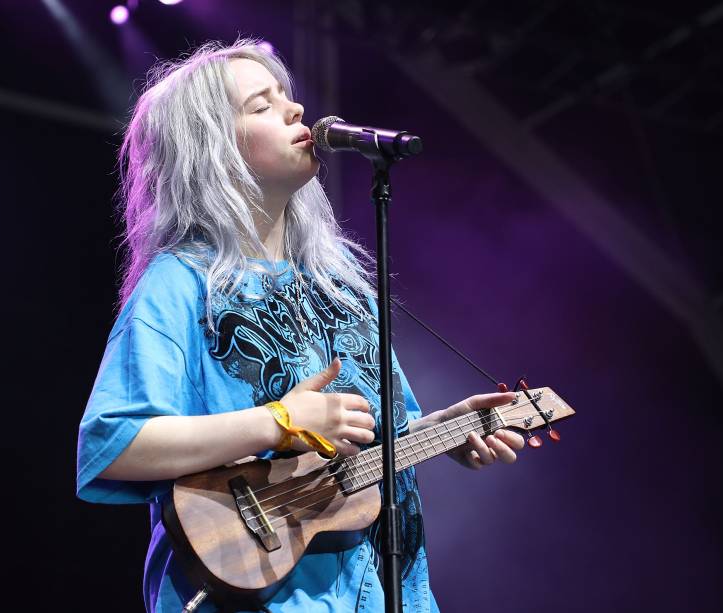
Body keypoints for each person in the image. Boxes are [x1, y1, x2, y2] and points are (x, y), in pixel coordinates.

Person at [76, 39, 525, 613]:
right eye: (261, 105)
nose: (295, 111)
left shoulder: (344, 291)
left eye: (288, 97)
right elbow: (112, 444)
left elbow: (376, 448)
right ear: (211, 148)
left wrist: (445, 429)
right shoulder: (180, 283)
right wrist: (279, 422)